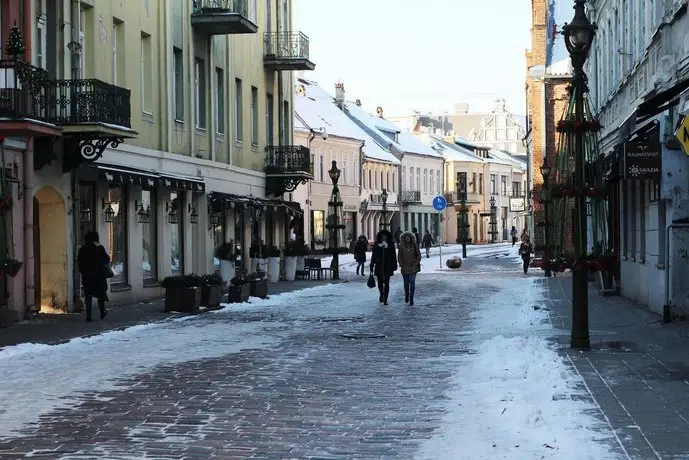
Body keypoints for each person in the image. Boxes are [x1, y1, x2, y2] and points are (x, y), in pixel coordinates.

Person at [77, 231, 110, 322]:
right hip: (99, 276)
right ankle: (102, 312)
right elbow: (107, 259)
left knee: (88, 295)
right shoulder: (99, 247)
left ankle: (88, 316)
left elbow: (79, 261)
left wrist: (83, 271)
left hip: (87, 276)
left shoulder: (83, 248)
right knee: (101, 294)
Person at [370, 229, 398, 305]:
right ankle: (381, 294)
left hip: (388, 266)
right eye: (382, 236)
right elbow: (374, 255)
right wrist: (372, 264)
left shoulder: (390, 244)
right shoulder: (376, 244)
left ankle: (385, 299)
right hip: (379, 266)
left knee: (387, 283)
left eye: (385, 236)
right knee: (379, 283)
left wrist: (394, 265)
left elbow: (393, 256)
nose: (384, 238)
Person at [398, 231, 421, 305]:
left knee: (412, 282)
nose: (407, 239)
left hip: (413, 267)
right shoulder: (401, 246)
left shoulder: (414, 245)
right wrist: (401, 264)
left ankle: (411, 298)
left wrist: (416, 262)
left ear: (411, 238)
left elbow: (418, 255)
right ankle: (407, 294)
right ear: (404, 239)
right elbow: (399, 256)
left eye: (409, 238)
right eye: (406, 238)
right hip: (404, 267)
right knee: (406, 283)